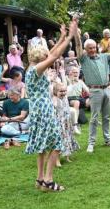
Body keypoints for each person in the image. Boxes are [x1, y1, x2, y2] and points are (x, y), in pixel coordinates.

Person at [25, 20, 78, 192]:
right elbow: (54, 56)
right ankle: (48, 180)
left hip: (37, 110)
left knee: (42, 147)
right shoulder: (37, 70)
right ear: (41, 56)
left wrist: (62, 36)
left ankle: (40, 179)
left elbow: (52, 54)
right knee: (57, 144)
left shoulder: (31, 69)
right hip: (43, 110)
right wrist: (70, 36)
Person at [52, 82, 79, 167]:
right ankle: (57, 160)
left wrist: (63, 74)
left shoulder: (65, 97)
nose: (63, 93)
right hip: (59, 124)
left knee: (68, 139)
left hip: (67, 123)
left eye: (64, 91)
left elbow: (69, 85)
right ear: (56, 92)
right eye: (61, 91)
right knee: (60, 141)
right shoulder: (55, 99)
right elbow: (54, 105)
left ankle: (67, 157)